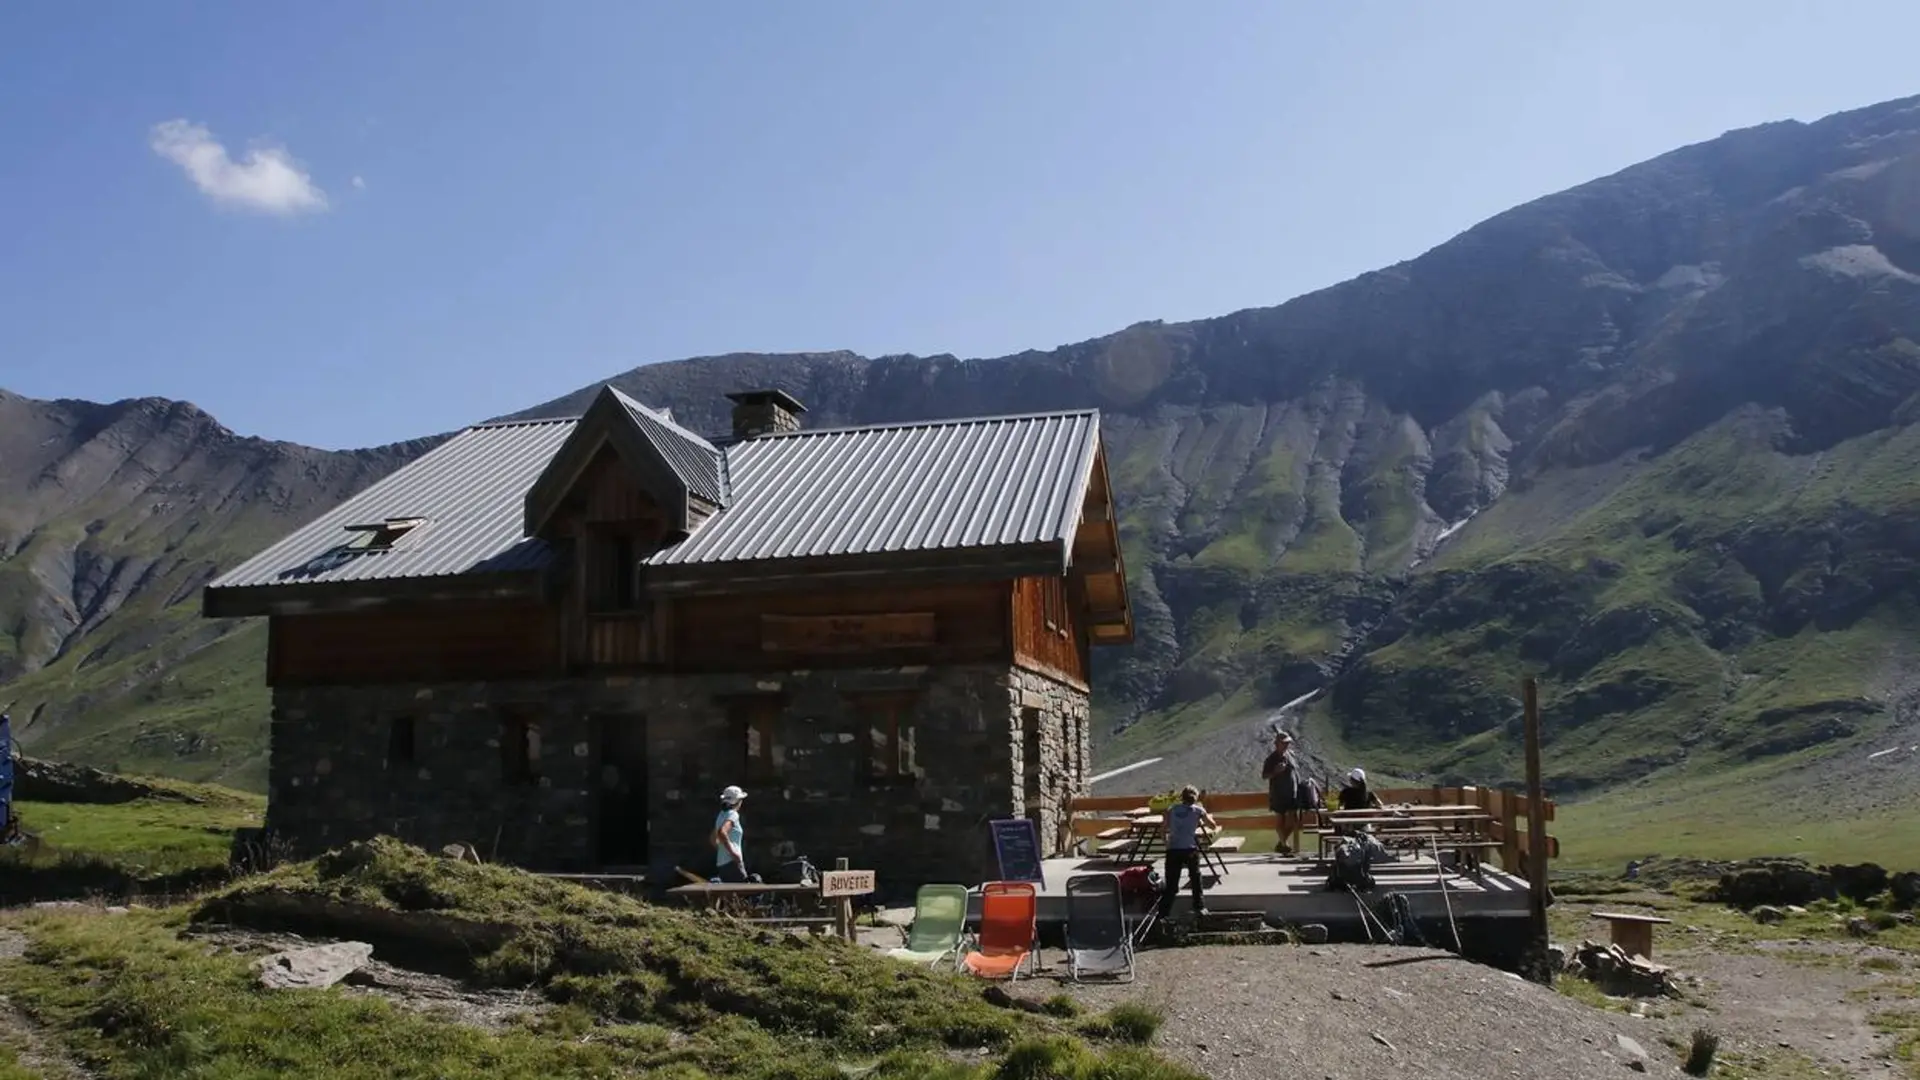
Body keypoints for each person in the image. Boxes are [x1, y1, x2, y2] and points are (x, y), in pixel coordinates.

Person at [1155, 785, 1217, 918]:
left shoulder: (1171, 810)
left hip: (1173, 849)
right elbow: (1212, 825)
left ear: (1181, 797)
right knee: (1195, 878)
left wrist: (1166, 842)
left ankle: (1163, 914)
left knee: (1171, 884)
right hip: (1190, 848)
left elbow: (1162, 829)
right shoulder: (1198, 810)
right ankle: (1199, 906)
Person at [1261, 730, 1301, 855]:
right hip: (1278, 793)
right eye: (1284, 743)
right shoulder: (1271, 759)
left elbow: (1296, 772)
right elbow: (1264, 776)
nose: (1286, 745)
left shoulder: (1291, 755)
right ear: (1277, 744)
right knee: (1280, 819)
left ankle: (1282, 843)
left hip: (1292, 793)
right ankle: (1284, 845)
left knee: (1294, 819)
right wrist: (1276, 772)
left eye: (1288, 743)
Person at [711, 785, 749, 883]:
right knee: (745, 893)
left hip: (722, 863)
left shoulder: (721, 815)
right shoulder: (733, 814)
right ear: (737, 801)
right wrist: (733, 853)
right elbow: (722, 832)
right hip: (732, 862)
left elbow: (713, 838)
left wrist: (722, 849)